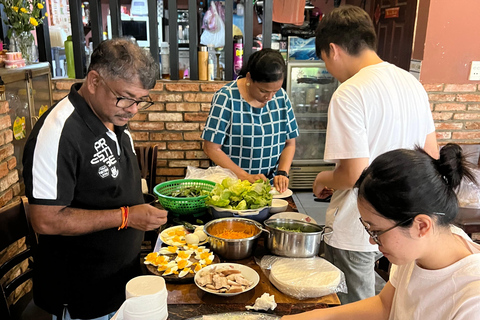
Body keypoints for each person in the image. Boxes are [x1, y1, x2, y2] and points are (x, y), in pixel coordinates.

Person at [22, 38, 168, 320]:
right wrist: (127, 216)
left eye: (141, 100)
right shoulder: (59, 131)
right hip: (82, 296)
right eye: (126, 97)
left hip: (121, 284)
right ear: (94, 81)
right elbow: (45, 219)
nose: (133, 109)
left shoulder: (115, 117)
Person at [312, 5, 440, 304]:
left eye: (323, 61)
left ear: (333, 49)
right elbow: (431, 154)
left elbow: (353, 174)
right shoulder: (412, 83)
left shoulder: (349, 92)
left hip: (358, 226)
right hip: (405, 225)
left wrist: (322, 178)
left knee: (354, 304)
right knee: (394, 300)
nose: (329, 70)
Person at [283, 144, 480, 319]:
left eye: (376, 231)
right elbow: (385, 305)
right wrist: (317, 316)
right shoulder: (422, 246)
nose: (371, 241)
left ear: (421, 225)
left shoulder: (472, 300)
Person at [202, 48, 299, 193]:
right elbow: (211, 148)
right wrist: (244, 176)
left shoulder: (281, 97)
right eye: (263, 91)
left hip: (270, 186)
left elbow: (289, 142)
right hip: (233, 186)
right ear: (249, 78)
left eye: (275, 91)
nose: (270, 97)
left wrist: (282, 172)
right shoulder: (226, 97)